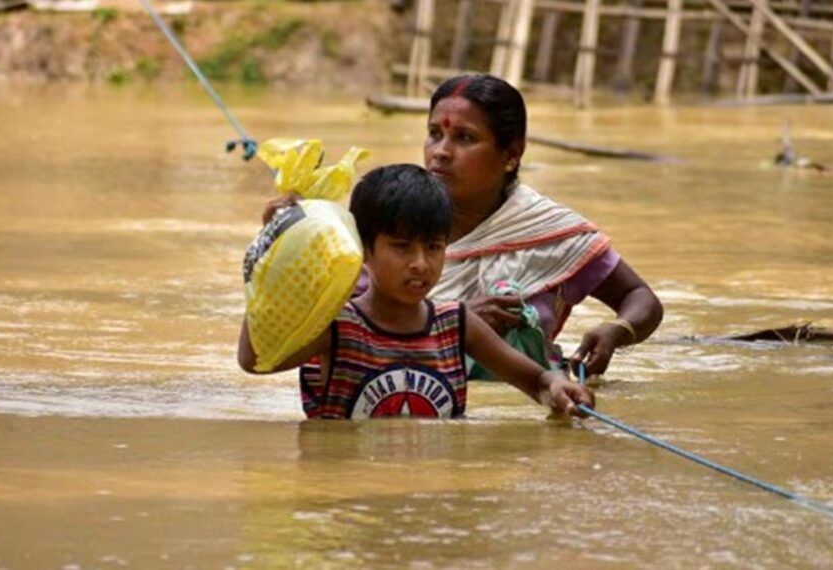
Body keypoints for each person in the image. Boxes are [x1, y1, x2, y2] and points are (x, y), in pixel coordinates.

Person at [264, 74, 662, 378]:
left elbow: (641, 297)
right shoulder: (380, 225)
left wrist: (618, 330)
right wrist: (286, 240)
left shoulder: (553, 233)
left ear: (512, 154)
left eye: (464, 138)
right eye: (434, 134)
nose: (440, 152)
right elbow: (318, 333)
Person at [239, 164, 595, 419]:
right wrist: (273, 256)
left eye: (433, 247)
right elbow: (254, 361)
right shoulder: (338, 327)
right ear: (364, 250)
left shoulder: (457, 324)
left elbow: (536, 381)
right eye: (401, 247)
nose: (421, 264)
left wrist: (558, 388)